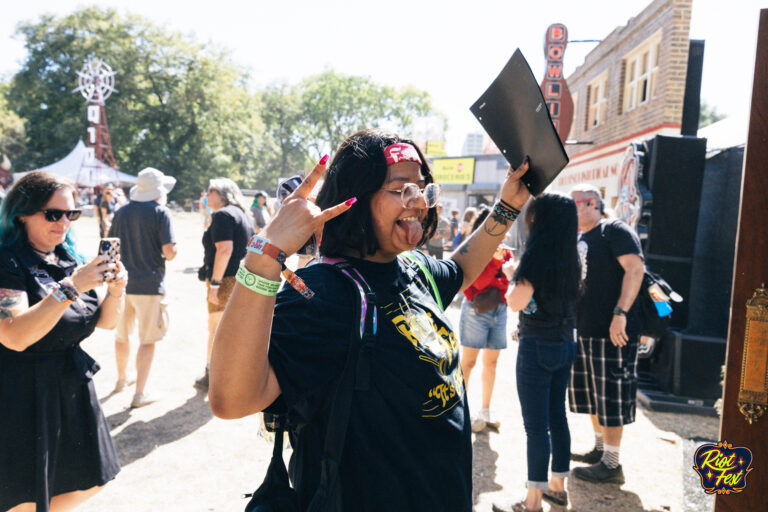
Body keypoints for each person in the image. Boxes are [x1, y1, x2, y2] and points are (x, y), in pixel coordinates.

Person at [209, 129, 531, 511]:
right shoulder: (321, 293)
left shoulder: (414, 268)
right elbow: (231, 400)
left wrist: (508, 206)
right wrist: (264, 257)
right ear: (355, 199)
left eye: (421, 188)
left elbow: (460, 269)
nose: (417, 202)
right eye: (399, 190)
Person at [0, 172, 127, 512]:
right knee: (23, 497)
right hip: (20, 390)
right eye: (53, 214)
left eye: (71, 214)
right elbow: (13, 335)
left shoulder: (66, 258)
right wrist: (71, 286)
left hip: (70, 384)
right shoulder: (7, 260)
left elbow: (106, 322)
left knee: (89, 477)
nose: (63, 223)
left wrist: (116, 291)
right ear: (22, 213)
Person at [494, 193, 581, 512]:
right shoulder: (572, 256)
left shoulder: (537, 254)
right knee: (558, 416)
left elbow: (516, 301)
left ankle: (532, 502)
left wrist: (510, 277)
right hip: (564, 342)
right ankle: (558, 487)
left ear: (537, 219)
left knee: (535, 427)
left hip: (537, 345)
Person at [568, 184, 645, 485]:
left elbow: (635, 270)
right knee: (592, 395)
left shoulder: (614, 230)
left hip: (613, 331)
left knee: (611, 395)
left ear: (591, 204)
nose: (570, 210)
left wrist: (620, 314)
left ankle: (612, 464)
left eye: (573, 204)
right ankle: (600, 451)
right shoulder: (581, 237)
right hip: (585, 328)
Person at [109, 167, 177, 408]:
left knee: (121, 335)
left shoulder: (121, 211)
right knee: (147, 340)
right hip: (150, 284)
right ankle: (139, 394)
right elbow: (169, 252)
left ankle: (121, 379)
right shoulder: (161, 212)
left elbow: (109, 247)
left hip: (121, 283)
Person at [194, 178, 254, 390]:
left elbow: (225, 250)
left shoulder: (222, 215)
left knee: (216, 329)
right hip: (243, 278)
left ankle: (214, 374)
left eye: (210, 190)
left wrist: (215, 283)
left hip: (226, 280)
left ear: (222, 194)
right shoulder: (244, 215)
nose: (206, 195)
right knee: (236, 328)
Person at [459, 206, 513, 433]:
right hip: (475, 309)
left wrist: (502, 264)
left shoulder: (505, 251)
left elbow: (505, 284)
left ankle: (485, 410)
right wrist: (494, 262)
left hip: (499, 309)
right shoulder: (474, 248)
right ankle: (459, 410)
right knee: (468, 363)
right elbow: (475, 284)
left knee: (492, 363)